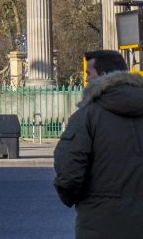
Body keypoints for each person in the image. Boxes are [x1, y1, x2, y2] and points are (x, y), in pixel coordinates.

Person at [54, 49, 143, 238]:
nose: (86, 80)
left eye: (88, 74)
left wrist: (74, 198)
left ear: (103, 75)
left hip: (100, 223)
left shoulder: (86, 116)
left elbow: (69, 169)